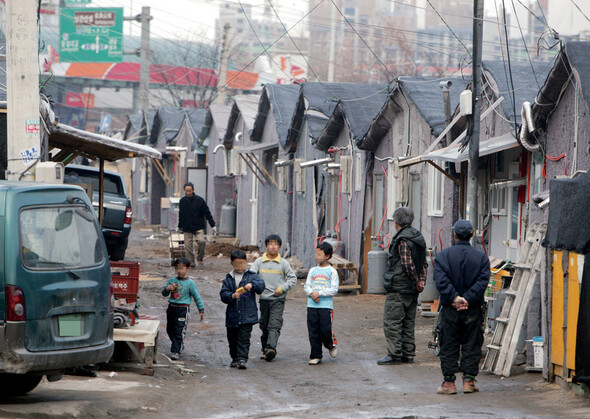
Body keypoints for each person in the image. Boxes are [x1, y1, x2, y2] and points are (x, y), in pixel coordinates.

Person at [433, 219, 490, 394]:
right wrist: (467, 299)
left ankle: (449, 383)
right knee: (472, 343)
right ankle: (469, 382)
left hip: (450, 308)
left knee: (448, 344)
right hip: (472, 309)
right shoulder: (481, 257)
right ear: (472, 235)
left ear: (455, 235)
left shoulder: (443, 256)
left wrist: (455, 298)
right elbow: (482, 282)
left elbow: (440, 281)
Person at [377, 207, 427, 365]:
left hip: (399, 287)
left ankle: (394, 354)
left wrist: (414, 280)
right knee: (408, 321)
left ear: (396, 222)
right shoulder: (418, 237)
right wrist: (421, 281)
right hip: (412, 290)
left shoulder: (402, 239)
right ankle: (408, 353)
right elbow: (424, 262)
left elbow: (407, 264)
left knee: (392, 321)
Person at [250, 234, 297, 362]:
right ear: (266, 246)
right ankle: (266, 348)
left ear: (280, 247)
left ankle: (271, 348)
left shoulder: (283, 263)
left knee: (274, 324)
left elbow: (293, 279)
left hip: (278, 299)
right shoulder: (259, 262)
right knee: (264, 324)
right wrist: (255, 286)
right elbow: (251, 276)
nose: (273, 246)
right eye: (270, 244)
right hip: (264, 298)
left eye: (276, 244)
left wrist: (282, 288)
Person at [220, 250, 265, 370]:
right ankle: (235, 358)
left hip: (247, 315)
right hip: (232, 315)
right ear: (232, 263)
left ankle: (242, 359)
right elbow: (223, 295)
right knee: (232, 338)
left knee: (244, 338)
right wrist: (232, 296)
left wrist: (252, 285)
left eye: (242, 263)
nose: (240, 267)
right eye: (236, 264)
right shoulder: (229, 278)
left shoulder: (252, 276)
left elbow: (261, 286)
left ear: (246, 262)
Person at [161, 257, 205, 360]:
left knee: (179, 330)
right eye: (177, 269)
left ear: (188, 269)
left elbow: (196, 297)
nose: (179, 271)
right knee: (170, 329)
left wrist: (201, 309)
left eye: (182, 268)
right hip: (171, 308)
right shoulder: (172, 281)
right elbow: (163, 293)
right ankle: (178, 344)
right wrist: (168, 288)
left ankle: (175, 351)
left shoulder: (190, 283)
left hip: (183, 309)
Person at [304, 241, 339, 365]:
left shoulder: (332, 271)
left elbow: (334, 289)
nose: (317, 256)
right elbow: (307, 286)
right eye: (316, 253)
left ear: (327, 256)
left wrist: (319, 293)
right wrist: (312, 294)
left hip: (325, 306)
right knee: (313, 331)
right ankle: (315, 355)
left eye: (320, 254)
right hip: (312, 305)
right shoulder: (313, 270)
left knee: (325, 330)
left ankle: (330, 345)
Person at [178, 182, 216, 267]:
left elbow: (207, 213)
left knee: (201, 241)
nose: (188, 193)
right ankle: (191, 263)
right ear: (184, 191)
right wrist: (179, 226)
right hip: (187, 227)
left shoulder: (200, 201)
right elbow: (181, 214)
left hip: (198, 227)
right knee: (187, 246)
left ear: (193, 190)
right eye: (186, 191)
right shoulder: (182, 201)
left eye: (190, 191)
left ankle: (200, 257)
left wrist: (212, 225)